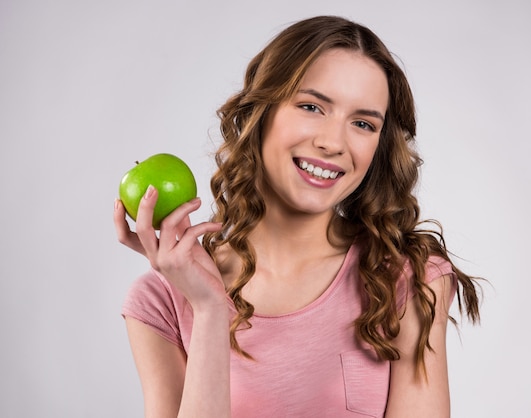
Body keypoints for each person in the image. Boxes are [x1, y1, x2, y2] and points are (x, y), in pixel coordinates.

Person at [114, 15, 481, 418]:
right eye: (311, 106)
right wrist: (209, 311)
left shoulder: (406, 277)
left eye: (362, 123)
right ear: (261, 112)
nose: (332, 142)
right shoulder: (161, 300)